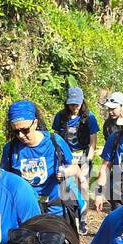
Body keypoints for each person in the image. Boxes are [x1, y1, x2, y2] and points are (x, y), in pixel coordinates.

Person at [0, 100, 85, 229]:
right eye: (16, 131)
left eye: (25, 130)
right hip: (26, 210)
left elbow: (75, 168)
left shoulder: (54, 142)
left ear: (35, 123)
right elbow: (3, 180)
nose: (21, 136)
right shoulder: (11, 149)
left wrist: (66, 172)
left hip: (56, 208)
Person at [53, 87, 99, 234]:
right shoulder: (60, 117)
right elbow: (56, 139)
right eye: (71, 104)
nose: (74, 107)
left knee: (83, 186)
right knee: (67, 187)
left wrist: (87, 161)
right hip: (67, 156)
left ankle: (83, 219)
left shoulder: (89, 118)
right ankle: (70, 218)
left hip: (83, 155)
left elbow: (93, 143)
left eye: (77, 104)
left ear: (82, 102)